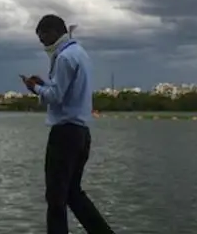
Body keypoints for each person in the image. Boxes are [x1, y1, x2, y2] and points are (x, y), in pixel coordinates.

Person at [21, 14, 115, 234]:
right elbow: (65, 91)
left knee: (55, 198)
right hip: (82, 133)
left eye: (42, 35)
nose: (42, 41)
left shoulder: (63, 57)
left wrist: (34, 88)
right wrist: (45, 85)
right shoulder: (80, 53)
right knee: (73, 193)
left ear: (54, 31)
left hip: (64, 133)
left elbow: (56, 97)